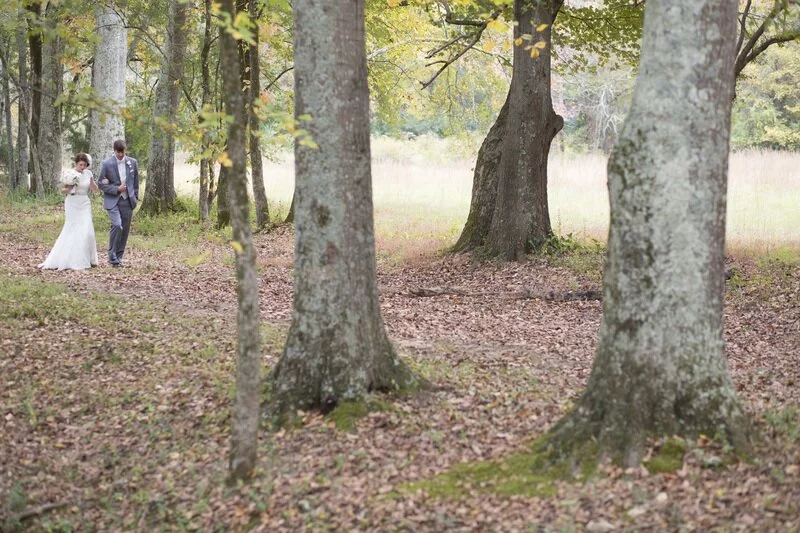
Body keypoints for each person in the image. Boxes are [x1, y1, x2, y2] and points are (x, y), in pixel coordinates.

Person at [39, 153, 100, 270]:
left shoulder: (88, 174)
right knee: (73, 229)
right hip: (73, 203)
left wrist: (100, 186)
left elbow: (93, 188)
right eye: (80, 164)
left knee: (87, 230)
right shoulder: (71, 174)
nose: (83, 167)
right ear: (76, 164)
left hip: (84, 202)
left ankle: (89, 258)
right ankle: (72, 258)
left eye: (85, 165)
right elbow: (63, 190)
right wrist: (69, 189)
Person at [97, 139, 139, 267]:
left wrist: (135, 198)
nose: (120, 154)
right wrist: (116, 189)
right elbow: (100, 184)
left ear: (125, 150)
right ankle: (111, 255)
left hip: (128, 201)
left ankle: (118, 258)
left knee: (125, 230)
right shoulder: (107, 164)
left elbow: (136, 182)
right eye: (118, 152)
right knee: (117, 225)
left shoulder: (133, 162)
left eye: (122, 152)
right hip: (113, 201)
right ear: (114, 151)